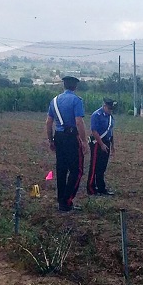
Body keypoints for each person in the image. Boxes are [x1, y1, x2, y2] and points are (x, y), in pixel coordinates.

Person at [46, 76, 88, 212]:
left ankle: (61, 201)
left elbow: (48, 122)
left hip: (58, 137)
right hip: (72, 138)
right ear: (75, 86)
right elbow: (79, 122)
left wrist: (51, 140)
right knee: (77, 170)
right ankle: (67, 201)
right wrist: (83, 141)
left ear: (63, 86)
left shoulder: (54, 101)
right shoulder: (76, 100)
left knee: (61, 170)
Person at [87, 97, 116, 196]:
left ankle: (101, 188)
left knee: (102, 167)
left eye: (111, 109)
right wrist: (101, 144)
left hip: (106, 142)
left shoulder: (110, 117)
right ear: (104, 106)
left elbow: (111, 132)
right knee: (94, 166)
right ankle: (91, 188)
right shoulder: (96, 115)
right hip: (96, 143)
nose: (110, 110)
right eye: (109, 108)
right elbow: (94, 131)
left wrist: (112, 145)